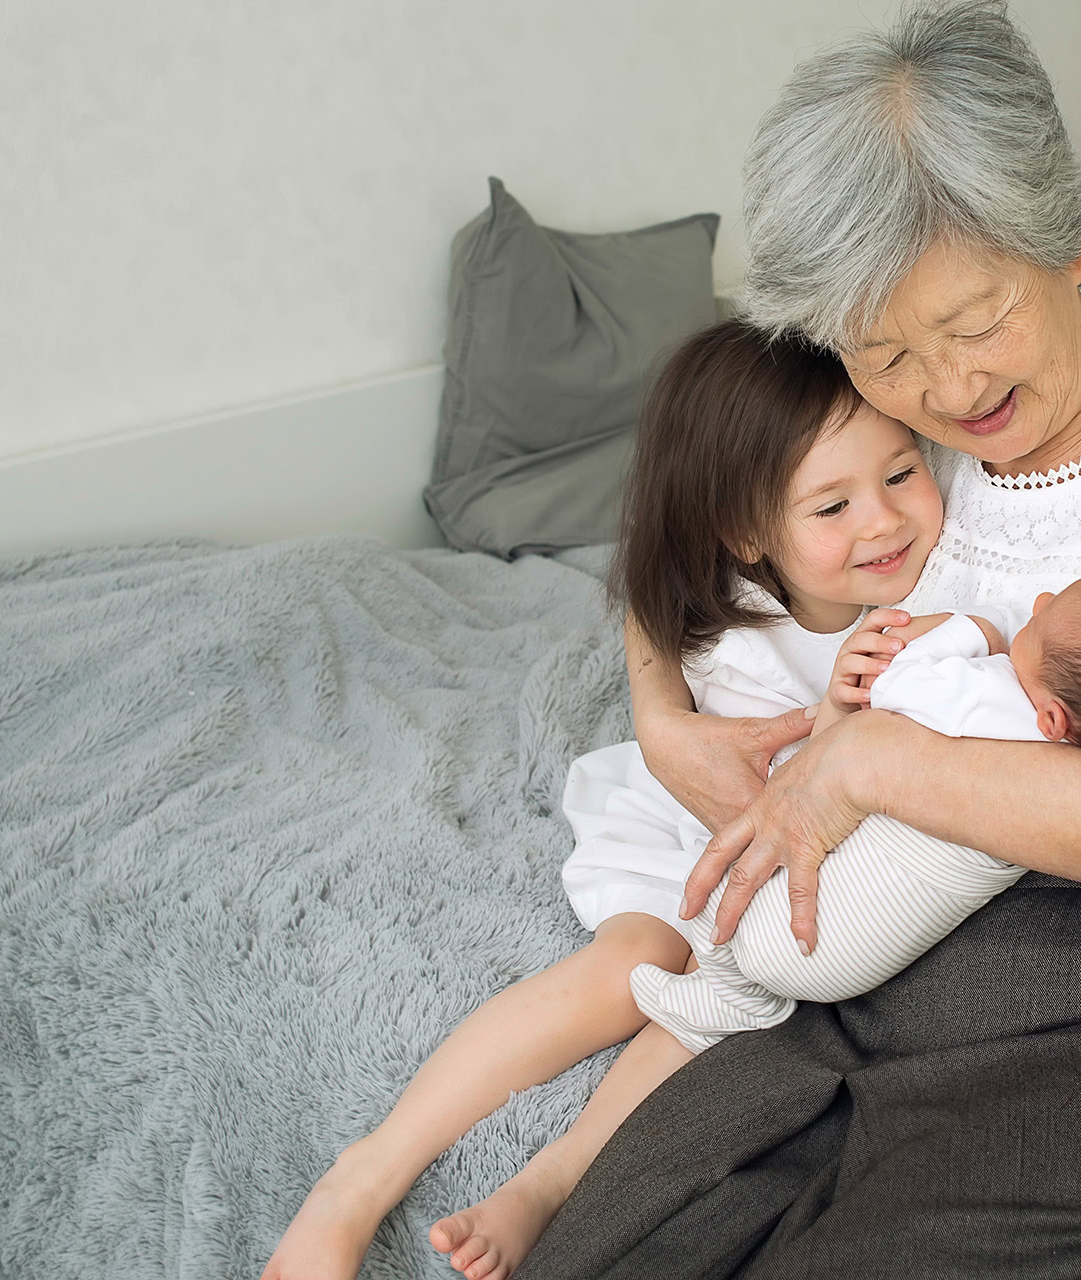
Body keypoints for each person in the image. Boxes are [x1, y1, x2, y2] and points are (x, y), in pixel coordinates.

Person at [514, 4, 1081, 1278]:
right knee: (628, 1237)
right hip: (888, 956)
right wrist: (660, 717)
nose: (953, 390)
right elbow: (677, 534)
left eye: (978, 324)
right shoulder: (909, 464)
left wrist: (865, 766)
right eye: (890, 351)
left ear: (1068, 245)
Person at [264, 318, 951, 1280]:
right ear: (750, 534)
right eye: (831, 507)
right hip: (715, 824)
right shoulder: (742, 649)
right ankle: (362, 1177)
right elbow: (777, 811)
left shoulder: (951, 576)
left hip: (814, 850)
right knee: (637, 967)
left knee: (711, 1010)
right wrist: (838, 702)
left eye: (902, 474)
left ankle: (552, 1179)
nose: (884, 521)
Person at [630, 570, 1081, 1054]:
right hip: (857, 960)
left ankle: (738, 998)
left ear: (1053, 719)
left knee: (717, 890)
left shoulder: (992, 702)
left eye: (1043, 620)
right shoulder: (1072, 763)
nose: (1039, 599)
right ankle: (744, 995)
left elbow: (892, 689)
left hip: (814, 938)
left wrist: (971, 628)